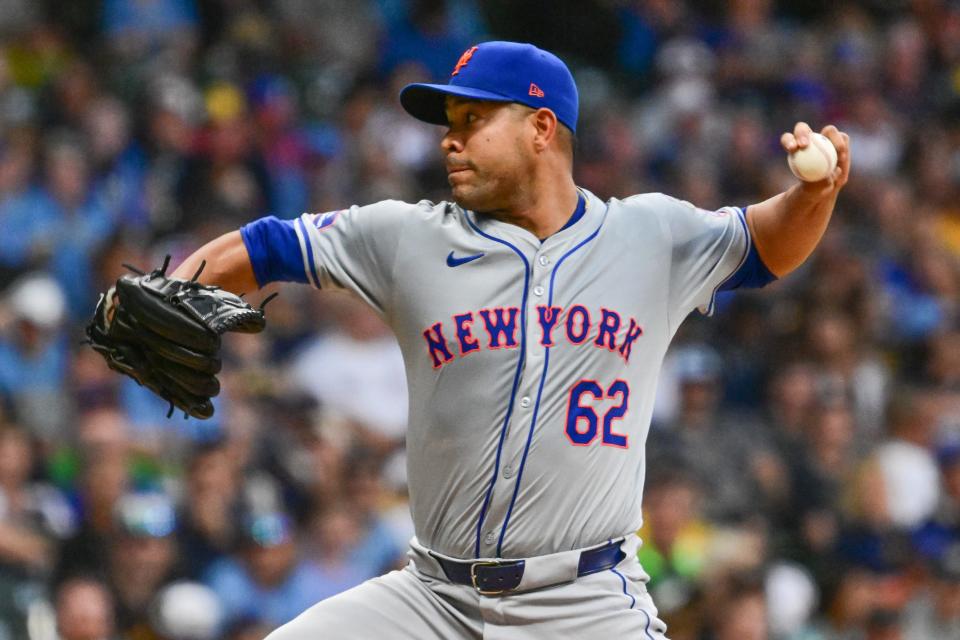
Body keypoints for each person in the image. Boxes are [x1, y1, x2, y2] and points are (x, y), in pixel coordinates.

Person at [160, 41, 850, 638]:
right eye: (449, 123)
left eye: (472, 119)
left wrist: (815, 196)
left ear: (541, 128)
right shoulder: (410, 238)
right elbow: (269, 245)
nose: (448, 139)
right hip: (433, 597)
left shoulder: (649, 235)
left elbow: (768, 244)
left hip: (584, 601)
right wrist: (176, 291)